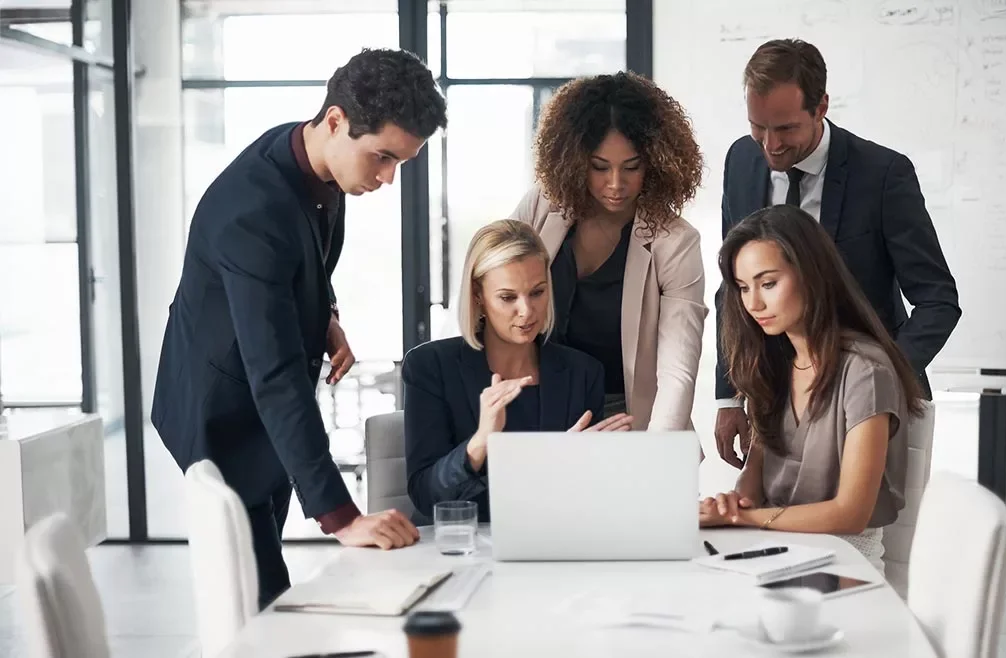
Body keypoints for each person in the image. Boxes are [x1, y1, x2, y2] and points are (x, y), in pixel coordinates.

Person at [151, 48, 447, 608]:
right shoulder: (251, 211)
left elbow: (306, 260)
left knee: (266, 568)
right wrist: (343, 518)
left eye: (400, 164)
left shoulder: (312, 155)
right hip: (220, 414)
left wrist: (327, 317)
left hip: (260, 402)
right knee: (258, 594)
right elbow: (276, 375)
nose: (386, 179)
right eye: (382, 158)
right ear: (335, 120)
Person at [714, 38, 959, 468]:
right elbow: (733, 290)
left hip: (879, 405)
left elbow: (938, 299)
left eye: (786, 128)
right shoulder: (741, 160)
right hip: (777, 403)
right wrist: (729, 395)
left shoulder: (883, 174)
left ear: (821, 106)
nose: (770, 144)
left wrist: (881, 378)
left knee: (883, 533)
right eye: (758, 126)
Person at [700, 205, 926, 570]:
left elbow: (851, 513)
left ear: (811, 275)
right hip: (772, 545)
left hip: (845, 556)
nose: (754, 304)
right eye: (743, 288)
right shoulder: (771, 361)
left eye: (768, 283)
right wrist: (732, 505)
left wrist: (743, 519)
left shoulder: (865, 371)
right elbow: (754, 479)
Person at [510, 71, 707, 432]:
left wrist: (656, 450)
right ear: (574, 159)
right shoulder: (540, 208)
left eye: (632, 167)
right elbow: (497, 297)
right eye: (600, 167)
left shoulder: (676, 242)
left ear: (656, 162)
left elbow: (677, 369)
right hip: (536, 405)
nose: (616, 184)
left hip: (629, 416)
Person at [403, 220, 633, 522]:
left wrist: (585, 465)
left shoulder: (582, 372)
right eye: (508, 297)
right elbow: (426, 495)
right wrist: (483, 438)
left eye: (537, 293)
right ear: (477, 296)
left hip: (553, 542)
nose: (526, 311)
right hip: (463, 548)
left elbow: (592, 500)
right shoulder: (429, 367)